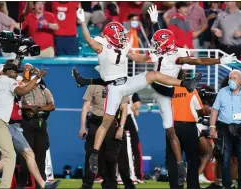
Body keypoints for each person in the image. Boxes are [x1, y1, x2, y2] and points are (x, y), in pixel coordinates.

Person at [73, 7, 205, 184]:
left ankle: (186, 83)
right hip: (113, 87)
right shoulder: (102, 45)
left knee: (153, 75)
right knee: (105, 123)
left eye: (121, 34)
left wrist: (151, 55)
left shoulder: (124, 46)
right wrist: (82, 22)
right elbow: (88, 40)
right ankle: (94, 155)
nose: (121, 37)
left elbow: (137, 58)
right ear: (110, 37)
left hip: (125, 82)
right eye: (118, 34)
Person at [0, 64, 61, 189]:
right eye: (15, 72)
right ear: (3, 73)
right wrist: (37, 76)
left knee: (18, 155)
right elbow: (23, 90)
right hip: (5, 124)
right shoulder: (9, 83)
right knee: (11, 156)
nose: (17, 75)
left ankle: (43, 184)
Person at [210, 70, 241, 189]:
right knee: (225, 160)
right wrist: (212, 127)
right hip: (224, 129)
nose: (231, 80)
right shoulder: (222, 92)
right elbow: (214, 110)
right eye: (230, 77)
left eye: (234, 78)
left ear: (240, 81)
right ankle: (227, 185)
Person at [79, 85, 129, 189]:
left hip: (112, 124)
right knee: (90, 155)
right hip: (95, 124)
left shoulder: (121, 86)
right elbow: (85, 106)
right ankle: (87, 185)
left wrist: (121, 127)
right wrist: (82, 127)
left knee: (111, 158)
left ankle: (110, 185)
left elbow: (124, 108)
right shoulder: (93, 86)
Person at [166, 69, 204, 189]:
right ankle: (193, 185)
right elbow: (200, 109)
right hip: (189, 127)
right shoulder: (191, 89)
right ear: (183, 77)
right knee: (192, 159)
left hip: (172, 128)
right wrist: (200, 115)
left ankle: (176, 186)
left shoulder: (168, 90)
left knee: (173, 159)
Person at [18, 65, 55, 188]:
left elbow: (52, 106)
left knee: (41, 154)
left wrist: (38, 108)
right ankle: (22, 183)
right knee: (25, 155)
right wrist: (29, 108)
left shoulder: (44, 90)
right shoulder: (21, 88)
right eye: (32, 73)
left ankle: (42, 184)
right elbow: (18, 105)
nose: (34, 75)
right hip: (26, 123)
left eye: (36, 73)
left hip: (40, 123)